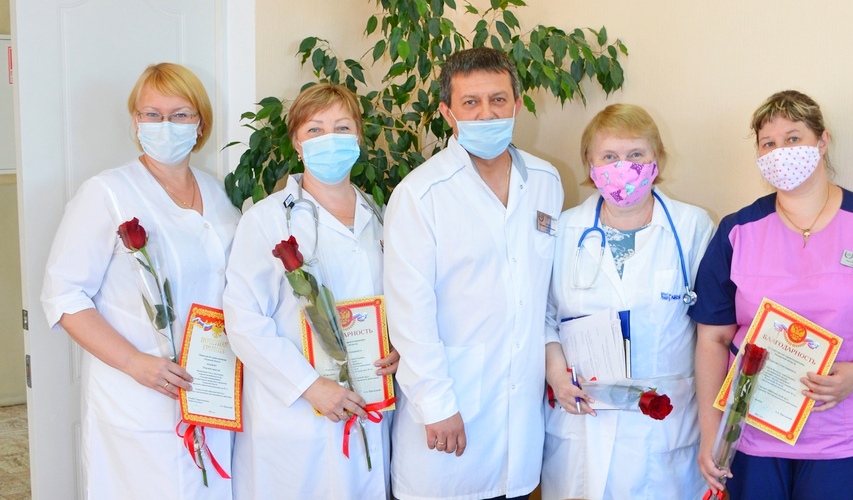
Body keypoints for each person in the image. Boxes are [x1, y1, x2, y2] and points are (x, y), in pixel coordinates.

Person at [689, 90, 853, 499]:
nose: (780, 152)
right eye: (768, 143)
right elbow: (713, 337)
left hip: (847, 436)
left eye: (793, 138)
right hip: (752, 435)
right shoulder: (737, 232)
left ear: (822, 141)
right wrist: (712, 433)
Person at [40, 62, 238, 499]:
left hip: (211, 392)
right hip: (137, 401)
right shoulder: (107, 193)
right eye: (152, 114)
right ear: (135, 122)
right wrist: (133, 362)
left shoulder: (219, 193)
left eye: (180, 114)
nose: (165, 125)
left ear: (200, 124)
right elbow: (65, 296)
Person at [383, 47, 563, 500]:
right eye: (471, 102)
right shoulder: (420, 194)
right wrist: (436, 405)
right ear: (448, 113)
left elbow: (542, 294)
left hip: (520, 423)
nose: (487, 113)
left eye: (498, 100)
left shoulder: (546, 180)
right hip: (448, 414)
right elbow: (410, 314)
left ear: (517, 104)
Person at [222, 83, 399, 499]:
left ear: (359, 137)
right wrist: (310, 386)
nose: (330, 139)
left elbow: (399, 299)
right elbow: (244, 320)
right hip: (297, 416)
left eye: (342, 127)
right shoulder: (267, 220)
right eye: (315, 130)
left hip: (370, 396)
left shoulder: (382, 216)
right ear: (298, 145)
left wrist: (397, 347)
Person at [540, 104, 713, 499]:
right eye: (609, 157)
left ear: (657, 160)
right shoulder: (563, 229)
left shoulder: (692, 227)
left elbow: (713, 332)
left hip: (664, 426)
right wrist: (557, 376)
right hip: (582, 419)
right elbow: (544, 317)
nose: (623, 167)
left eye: (636, 154)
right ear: (590, 164)